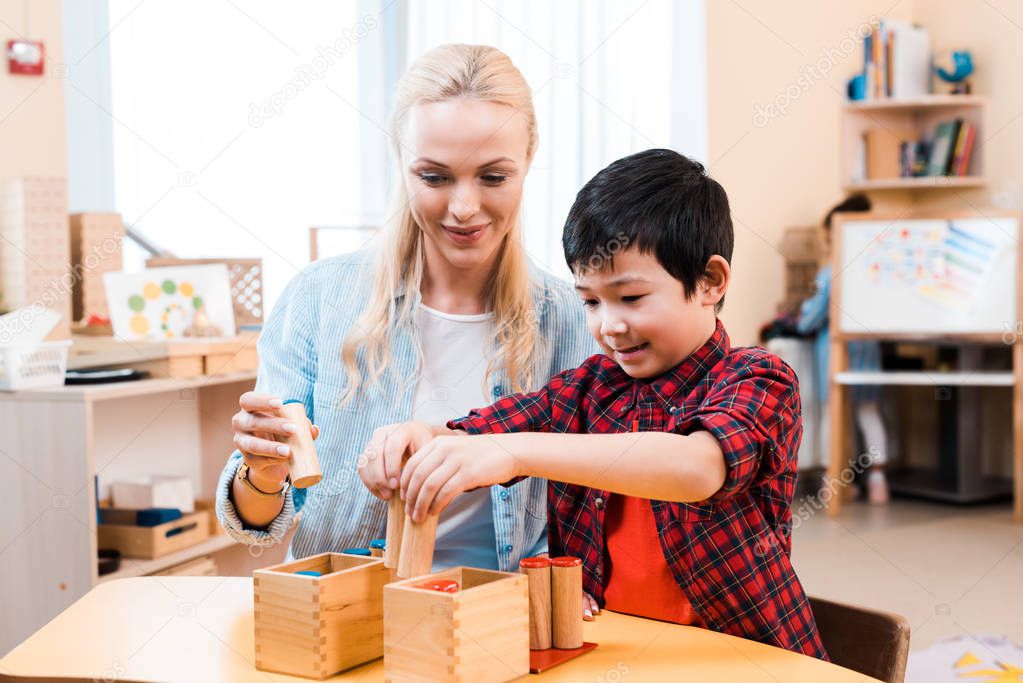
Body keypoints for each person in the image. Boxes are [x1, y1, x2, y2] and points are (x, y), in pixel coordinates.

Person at [368, 149, 829, 660]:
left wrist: (517, 453)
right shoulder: (589, 388)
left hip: (746, 661)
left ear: (709, 282)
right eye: (590, 301)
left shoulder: (759, 379)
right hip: (618, 654)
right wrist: (422, 439)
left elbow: (697, 468)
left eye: (630, 298)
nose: (608, 325)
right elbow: (481, 435)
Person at [215, 44, 596, 571]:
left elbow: (606, 499)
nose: (463, 208)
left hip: (503, 617)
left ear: (529, 160)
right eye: (435, 177)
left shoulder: (574, 320)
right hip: (349, 613)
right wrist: (261, 473)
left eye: (492, 177)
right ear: (402, 163)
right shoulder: (320, 298)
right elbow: (254, 523)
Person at [797, 194, 890, 504]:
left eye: (829, 236)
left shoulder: (831, 272)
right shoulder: (877, 269)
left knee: (832, 417)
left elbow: (811, 319)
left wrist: (801, 317)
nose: (828, 243)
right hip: (868, 352)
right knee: (868, 413)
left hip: (834, 355)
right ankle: (878, 480)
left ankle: (832, 483)